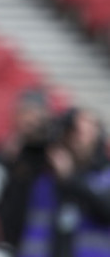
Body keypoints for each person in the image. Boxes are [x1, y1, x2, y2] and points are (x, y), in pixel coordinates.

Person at [0, 88, 55, 252]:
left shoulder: (53, 151)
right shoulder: (8, 151)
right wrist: (4, 158)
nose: (30, 120)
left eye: (35, 114)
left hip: (46, 241)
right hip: (9, 239)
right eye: (25, 113)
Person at [17, 107, 110, 257]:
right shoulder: (45, 177)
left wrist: (70, 178)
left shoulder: (105, 175)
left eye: (88, 130)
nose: (78, 137)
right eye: (73, 131)